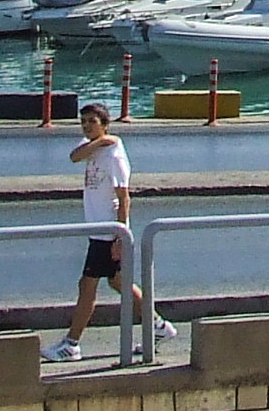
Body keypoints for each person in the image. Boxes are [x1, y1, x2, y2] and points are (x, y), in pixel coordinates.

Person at [43, 103, 177, 362]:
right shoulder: (97, 150)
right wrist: (101, 141)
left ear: (105, 124)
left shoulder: (113, 156)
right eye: (83, 122)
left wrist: (119, 235)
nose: (86, 126)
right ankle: (160, 327)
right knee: (119, 282)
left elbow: (124, 198)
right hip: (98, 230)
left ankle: (71, 344)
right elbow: (74, 156)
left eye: (92, 122)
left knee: (87, 286)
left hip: (108, 233)